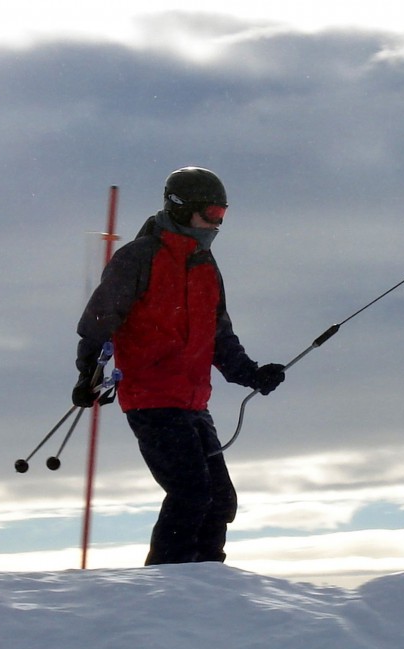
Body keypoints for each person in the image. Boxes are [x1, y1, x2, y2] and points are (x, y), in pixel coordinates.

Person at [72, 166, 285, 565]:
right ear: (182, 209)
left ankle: (205, 586)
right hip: (151, 399)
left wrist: (252, 374)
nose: (217, 225)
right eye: (212, 215)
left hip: (192, 402)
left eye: (223, 215)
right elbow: (99, 321)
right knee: (191, 493)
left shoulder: (206, 266)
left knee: (220, 501)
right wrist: (89, 373)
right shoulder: (138, 258)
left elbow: (219, 338)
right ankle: (167, 587)